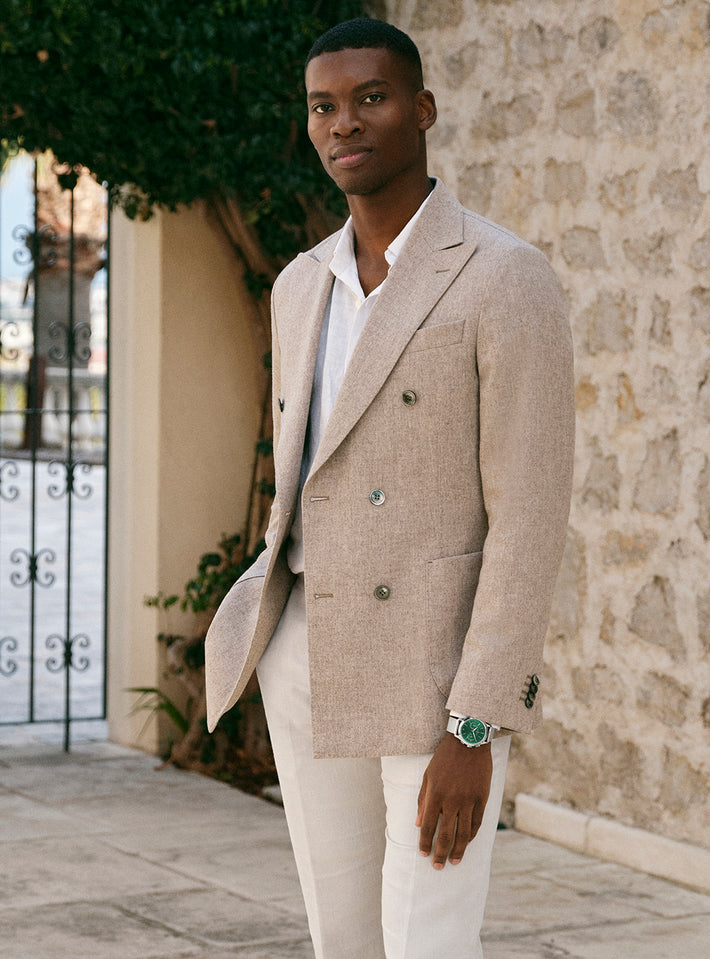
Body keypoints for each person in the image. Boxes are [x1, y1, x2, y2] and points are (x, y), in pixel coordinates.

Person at [205, 17, 574, 959]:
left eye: (369, 98)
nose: (343, 123)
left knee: (429, 940)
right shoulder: (300, 284)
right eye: (323, 106)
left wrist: (474, 723)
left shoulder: (503, 275)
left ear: (422, 109)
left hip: (432, 671)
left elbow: (528, 520)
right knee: (343, 936)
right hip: (304, 652)